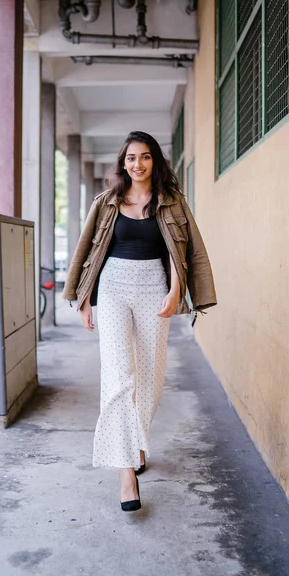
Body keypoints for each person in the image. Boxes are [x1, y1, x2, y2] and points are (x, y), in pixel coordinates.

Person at [62, 131, 217, 512]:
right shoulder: (107, 202)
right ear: (123, 163)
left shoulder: (172, 202)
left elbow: (185, 250)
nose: (138, 164)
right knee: (119, 374)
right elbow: (88, 251)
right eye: (131, 157)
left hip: (154, 287)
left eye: (145, 157)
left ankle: (138, 439)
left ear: (155, 161)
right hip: (113, 286)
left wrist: (176, 290)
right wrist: (84, 299)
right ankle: (126, 470)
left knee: (149, 375)